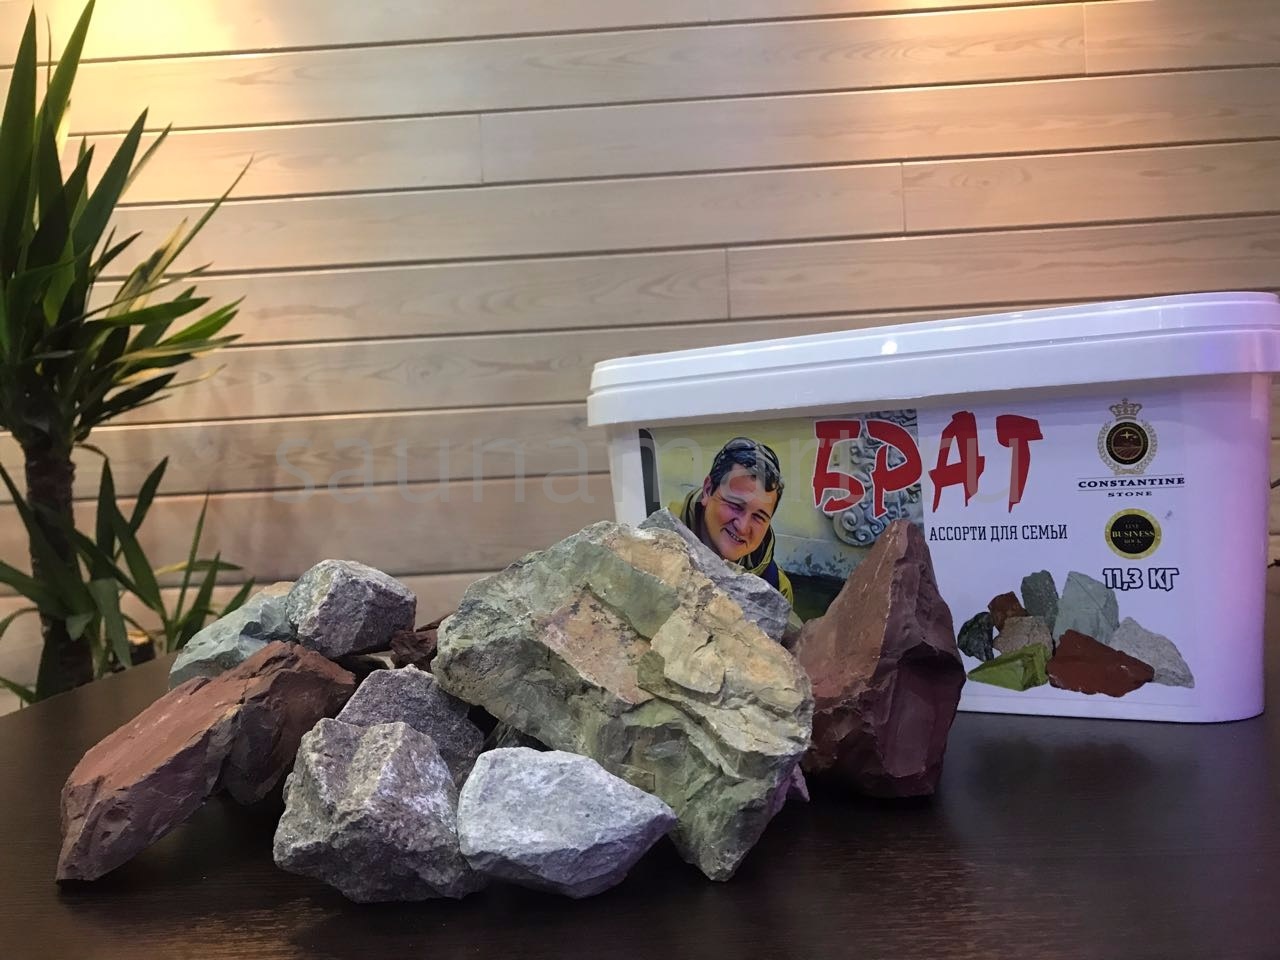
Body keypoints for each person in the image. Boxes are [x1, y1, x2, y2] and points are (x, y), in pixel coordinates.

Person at [672, 436, 794, 605]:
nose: (742, 527)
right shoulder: (648, 551)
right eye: (735, 505)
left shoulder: (776, 589)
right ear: (708, 490)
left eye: (759, 517)